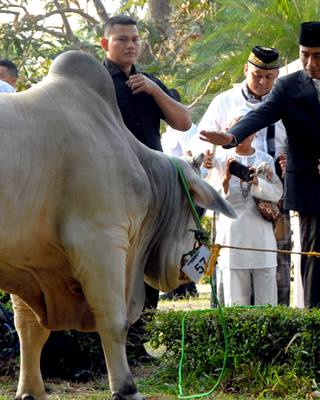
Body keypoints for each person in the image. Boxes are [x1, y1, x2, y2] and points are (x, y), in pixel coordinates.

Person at [199, 21, 320, 310]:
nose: (310, 62)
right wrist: (232, 136)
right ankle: (317, 329)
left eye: (317, 55)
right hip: (312, 186)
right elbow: (261, 115)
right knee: (315, 261)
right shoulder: (288, 86)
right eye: (304, 54)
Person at [101, 14, 191, 361]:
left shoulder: (148, 80)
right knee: (115, 264)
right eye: (122, 39)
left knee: (147, 261)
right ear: (105, 43)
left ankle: (138, 344)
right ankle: (109, 347)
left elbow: (183, 122)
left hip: (153, 186)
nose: (130, 45)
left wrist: (154, 90)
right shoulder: (95, 82)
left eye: (135, 39)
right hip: (111, 186)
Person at [194, 46, 291, 306]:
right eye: (257, 74)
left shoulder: (286, 102)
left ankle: (276, 330)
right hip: (230, 198)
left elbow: (295, 142)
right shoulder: (224, 102)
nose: (262, 82)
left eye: (269, 77)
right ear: (246, 69)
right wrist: (207, 157)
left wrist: (288, 160)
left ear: (277, 76)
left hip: (273, 194)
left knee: (274, 268)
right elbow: (201, 142)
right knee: (229, 267)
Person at [203, 115, 282, 306]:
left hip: (262, 239)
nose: (244, 134)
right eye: (238, 129)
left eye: (248, 129)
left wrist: (257, 183)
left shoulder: (265, 159)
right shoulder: (220, 160)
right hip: (232, 239)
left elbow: (277, 194)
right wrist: (226, 181)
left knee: (267, 303)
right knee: (235, 303)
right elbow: (210, 199)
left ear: (255, 132)